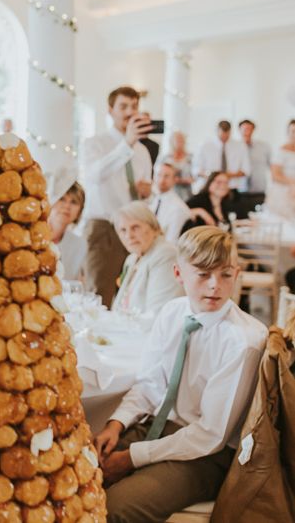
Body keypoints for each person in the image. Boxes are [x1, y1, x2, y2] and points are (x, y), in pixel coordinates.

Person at [95, 226, 267, 522]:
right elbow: (149, 384)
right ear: (178, 274)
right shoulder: (172, 312)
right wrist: (116, 423)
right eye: (202, 274)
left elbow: (210, 435)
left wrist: (131, 457)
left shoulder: (244, 340)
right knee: (78, 472)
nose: (215, 286)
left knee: (116, 508)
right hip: (160, 427)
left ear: (236, 275)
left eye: (225, 274)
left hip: (206, 455)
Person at [81, 86, 153, 307]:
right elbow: (95, 174)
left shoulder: (143, 151)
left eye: (134, 106)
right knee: (99, 295)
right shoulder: (95, 143)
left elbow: (146, 194)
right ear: (110, 110)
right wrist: (127, 144)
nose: (130, 112)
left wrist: (148, 192)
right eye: (123, 106)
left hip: (134, 228)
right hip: (105, 228)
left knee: (131, 296)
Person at [112, 202, 183, 316]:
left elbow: (157, 313)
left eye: (135, 227)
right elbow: (119, 307)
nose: (129, 235)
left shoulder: (165, 254)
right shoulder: (132, 259)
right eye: (123, 230)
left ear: (154, 228)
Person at [193, 120, 250, 194]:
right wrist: (213, 176)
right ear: (217, 131)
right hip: (210, 189)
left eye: (227, 134)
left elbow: (246, 170)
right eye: (222, 134)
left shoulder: (240, 146)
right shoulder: (204, 146)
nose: (224, 137)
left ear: (230, 132)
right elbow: (196, 169)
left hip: (232, 189)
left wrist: (228, 175)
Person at [48, 181, 87, 281]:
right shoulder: (33, 235)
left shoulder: (80, 245)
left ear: (79, 211)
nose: (67, 206)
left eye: (74, 202)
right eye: (62, 199)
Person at [149, 162, 191, 243]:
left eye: (166, 176)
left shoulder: (177, 208)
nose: (161, 180)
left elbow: (171, 241)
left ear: (175, 180)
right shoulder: (155, 199)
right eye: (159, 175)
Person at [265, 119, 295, 221]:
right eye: (293, 131)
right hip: (283, 194)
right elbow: (275, 175)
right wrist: (292, 182)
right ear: (288, 133)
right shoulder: (281, 151)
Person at [238, 119, 271, 204]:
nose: (247, 132)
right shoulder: (234, 148)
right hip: (240, 190)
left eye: (249, 129)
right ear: (239, 130)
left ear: (253, 130)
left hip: (259, 189)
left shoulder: (264, 147)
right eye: (244, 129)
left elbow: (271, 166)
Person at [160, 130, 194, 200]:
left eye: (181, 140)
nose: (179, 142)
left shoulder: (191, 158)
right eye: (177, 140)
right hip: (168, 192)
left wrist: (182, 180)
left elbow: (195, 176)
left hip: (186, 194)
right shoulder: (165, 158)